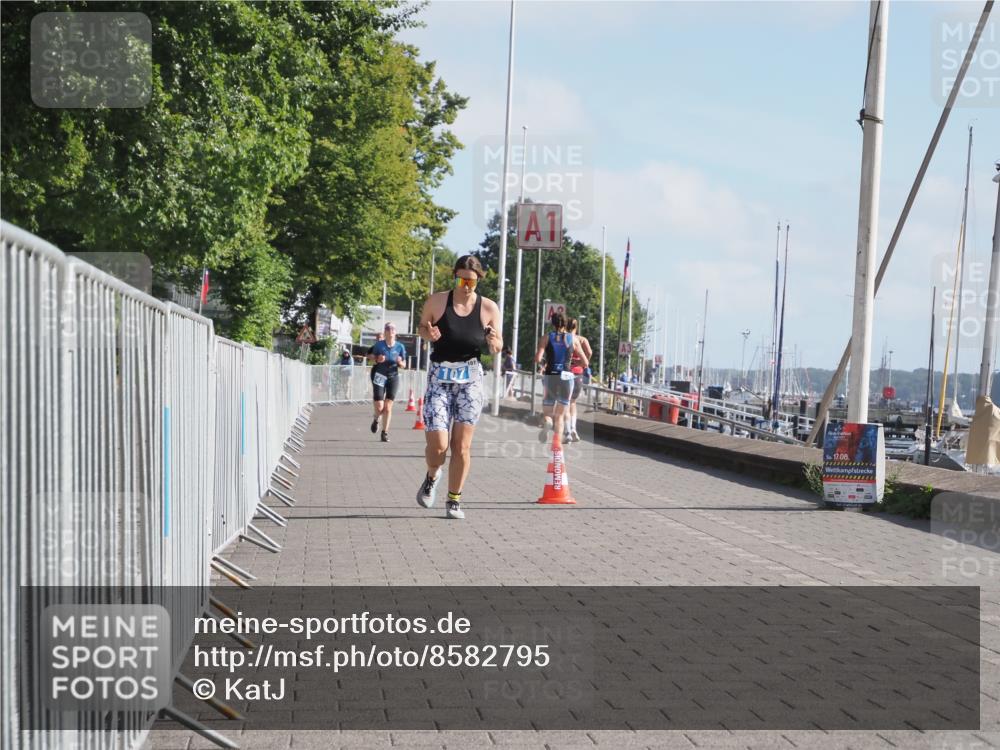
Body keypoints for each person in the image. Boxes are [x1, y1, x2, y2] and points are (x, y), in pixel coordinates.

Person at [415, 255, 503, 520]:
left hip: (470, 380)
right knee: (438, 448)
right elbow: (422, 327)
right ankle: (432, 474)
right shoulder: (438, 301)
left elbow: (498, 347)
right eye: (461, 280)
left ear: (478, 281)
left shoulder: (488, 308)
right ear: (454, 277)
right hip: (439, 378)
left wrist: (492, 340)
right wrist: (426, 333)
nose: (466, 286)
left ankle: (454, 500)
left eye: (472, 282)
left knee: (461, 446)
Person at [535, 311, 588, 444]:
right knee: (560, 415)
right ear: (566, 323)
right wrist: (574, 363)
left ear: (552, 323)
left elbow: (537, 358)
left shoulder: (546, 337)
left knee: (548, 413)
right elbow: (585, 362)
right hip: (567, 377)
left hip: (550, 376)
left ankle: (547, 422)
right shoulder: (573, 339)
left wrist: (544, 364)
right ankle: (557, 447)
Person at [367, 323, 406, 442]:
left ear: (395, 332)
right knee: (380, 406)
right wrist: (377, 358)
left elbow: (404, 365)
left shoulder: (400, 347)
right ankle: (376, 419)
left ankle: (385, 433)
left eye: (393, 329)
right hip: (380, 375)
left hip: (393, 377)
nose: (391, 331)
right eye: (388, 328)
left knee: (388, 407)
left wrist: (400, 363)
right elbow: (370, 356)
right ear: (385, 331)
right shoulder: (379, 345)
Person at [564, 318, 593, 442]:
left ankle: (568, 432)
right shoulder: (582, 339)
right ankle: (573, 427)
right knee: (573, 403)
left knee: (565, 403)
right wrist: (582, 362)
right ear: (577, 327)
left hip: (566, 372)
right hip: (578, 373)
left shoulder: (565, 338)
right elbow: (590, 352)